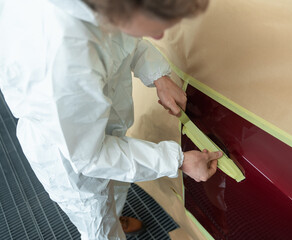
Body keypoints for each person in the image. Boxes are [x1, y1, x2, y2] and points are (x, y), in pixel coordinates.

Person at [0, 0, 223, 239]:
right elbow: (91, 156)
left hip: (96, 129)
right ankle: (109, 227)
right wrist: (176, 160)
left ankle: (114, 216)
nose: (158, 35)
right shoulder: (63, 61)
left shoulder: (110, 9)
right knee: (97, 221)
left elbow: (121, 40)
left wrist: (159, 76)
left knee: (116, 186)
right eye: (156, 25)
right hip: (69, 154)